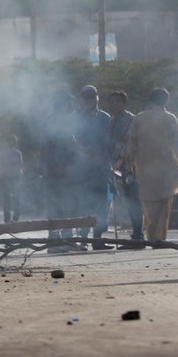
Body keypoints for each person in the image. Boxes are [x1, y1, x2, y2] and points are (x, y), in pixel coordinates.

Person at [125, 88, 178, 242]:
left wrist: (128, 166)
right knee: (164, 202)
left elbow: (131, 144)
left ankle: (152, 236)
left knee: (148, 204)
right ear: (166, 101)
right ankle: (160, 238)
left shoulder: (139, 118)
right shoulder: (170, 118)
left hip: (144, 168)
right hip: (167, 168)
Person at [42, 92, 82, 253]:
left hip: (56, 170)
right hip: (62, 170)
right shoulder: (62, 122)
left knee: (58, 206)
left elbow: (43, 148)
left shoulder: (51, 120)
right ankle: (62, 240)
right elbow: (69, 146)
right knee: (65, 206)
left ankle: (57, 240)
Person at [75, 85, 113, 248]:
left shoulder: (105, 118)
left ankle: (98, 239)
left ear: (97, 98)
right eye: (87, 96)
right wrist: (82, 150)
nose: (90, 99)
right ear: (81, 98)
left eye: (93, 96)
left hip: (101, 168)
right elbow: (69, 140)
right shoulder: (74, 118)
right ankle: (83, 238)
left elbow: (112, 141)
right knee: (83, 204)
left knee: (102, 204)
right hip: (81, 168)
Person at [106, 90, 144, 246]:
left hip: (131, 166)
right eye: (112, 102)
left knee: (134, 200)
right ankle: (135, 234)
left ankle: (138, 235)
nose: (114, 105)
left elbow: (132, 143)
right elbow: (109, 144)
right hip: (116, 166)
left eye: (117, 101)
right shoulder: (111, 122)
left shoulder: (132, 120)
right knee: (127, 201)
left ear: (123, 103)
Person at [0, 135, 24, 223]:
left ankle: (7, 218)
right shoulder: (18, 153)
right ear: (15, 143)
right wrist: (21, 177)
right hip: (16, 177)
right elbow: (21, 165)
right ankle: (16, 217)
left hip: (6, 177)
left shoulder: (3, 153)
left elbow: (1, 167)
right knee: (16, 198)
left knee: (6, 199)